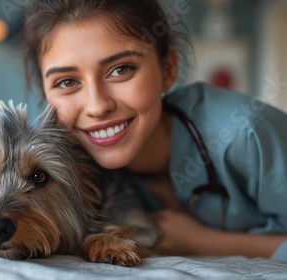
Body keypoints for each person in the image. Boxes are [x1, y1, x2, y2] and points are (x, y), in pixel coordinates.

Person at [22, 0, 287, 262]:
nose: (97, 106)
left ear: (168, 68)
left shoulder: (246, 133)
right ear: (46, 93)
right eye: (66, 82)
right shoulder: (61, 173)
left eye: (120, 69)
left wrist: (201, 241)